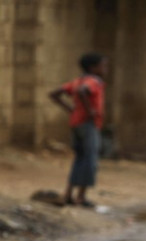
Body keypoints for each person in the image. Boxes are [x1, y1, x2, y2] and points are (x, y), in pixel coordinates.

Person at [49, 53, 109, 208]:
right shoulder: (93, 81)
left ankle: (68, 194)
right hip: (88, 124)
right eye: (103, 66)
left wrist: (71, 110)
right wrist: (90, 111)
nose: (105, 69)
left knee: (79, 158)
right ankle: (81, 197)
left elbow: (54, 94)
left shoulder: (77, 81)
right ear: (93, 68)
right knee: (90, 159)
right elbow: (83, 91)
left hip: (76, 123)